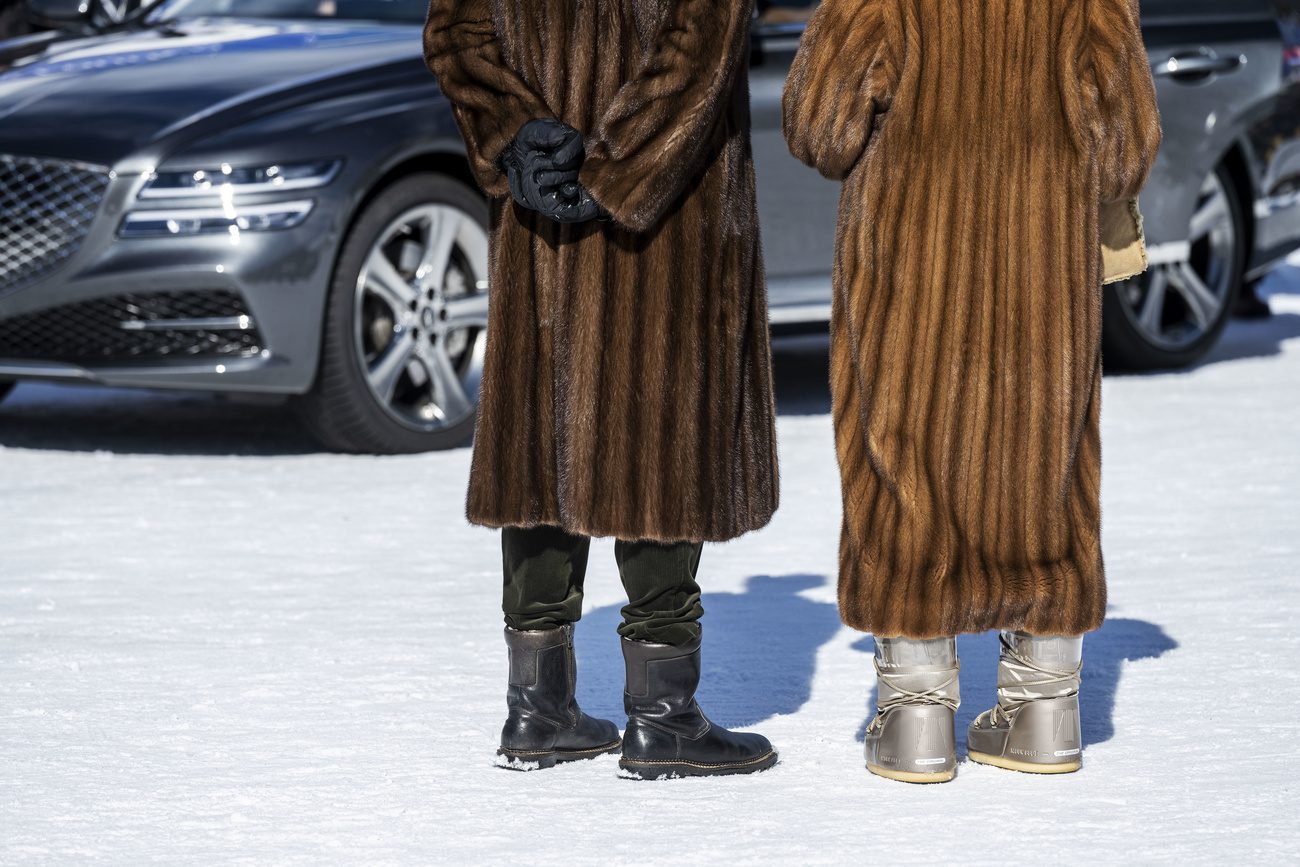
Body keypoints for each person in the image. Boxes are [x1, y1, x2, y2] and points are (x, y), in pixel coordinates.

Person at [783, 0, 1161, 782]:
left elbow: (821, 127)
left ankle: (916, 714)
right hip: (1043, 271)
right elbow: (1126, 150)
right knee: (1046, 467)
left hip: (909, 272)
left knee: (902, 460)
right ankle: (1043, 711)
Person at [423, 0, 780, 779]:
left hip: (541, 218)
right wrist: (612, 169)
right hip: (667, 214)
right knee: (656, 436)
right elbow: (699, 49)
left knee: (545, 437)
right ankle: (663, 717)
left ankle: (539, 708)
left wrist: (516, 135)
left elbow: (458, 31)